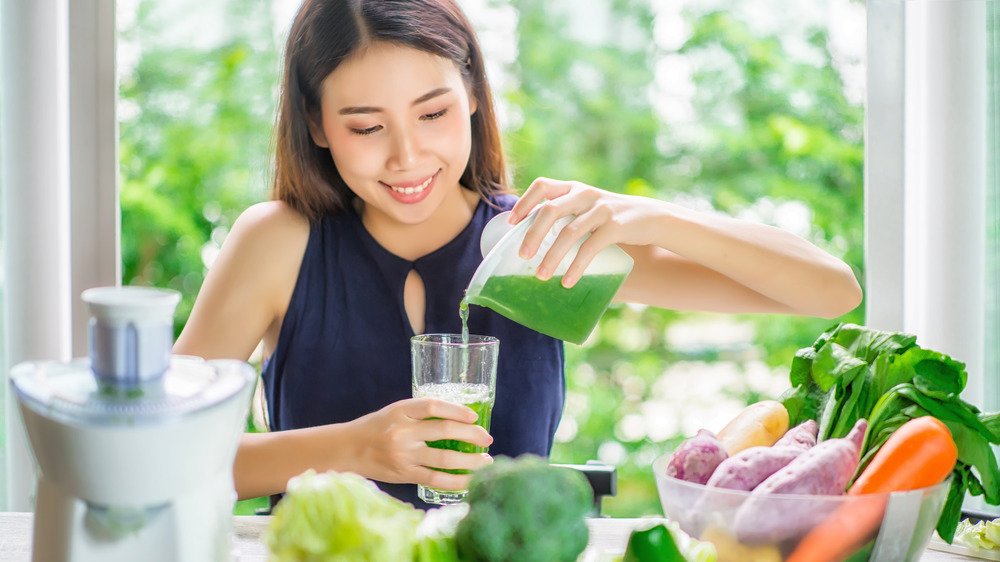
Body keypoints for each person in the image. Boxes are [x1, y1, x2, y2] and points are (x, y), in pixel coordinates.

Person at [173, 0, 863, 508]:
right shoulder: (278, 243)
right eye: (366, 127)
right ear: (317, 124)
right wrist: (352, 448)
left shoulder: (538, 242)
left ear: (473, 93)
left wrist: (653, 217)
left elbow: (829, 291)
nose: (407, 157)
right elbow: (154, 456)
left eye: (434, 113)